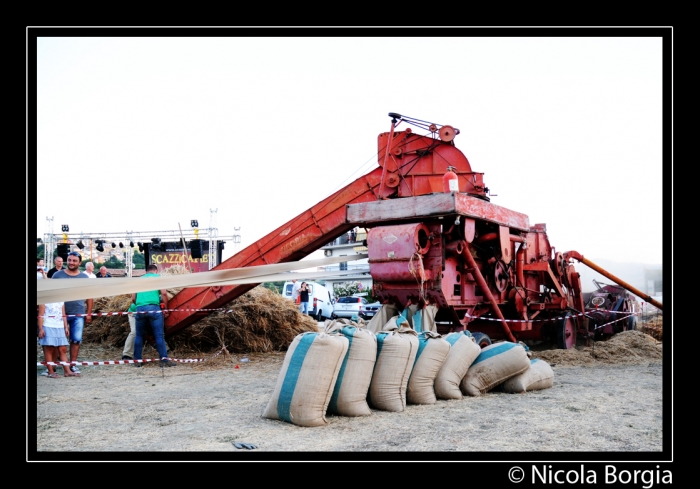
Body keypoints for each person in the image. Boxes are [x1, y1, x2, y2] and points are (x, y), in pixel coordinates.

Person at [51, 251, 93, 374]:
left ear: (80, 262)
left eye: (74, 261)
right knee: (56, 340)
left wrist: (89, 313)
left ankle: (72, 364)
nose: (71, 262)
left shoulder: (84, 277)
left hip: (78, 313)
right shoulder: (57, 275)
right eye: (69, 260)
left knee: (76, 340)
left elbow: (89, 297)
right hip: (58, 314)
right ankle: (53, 366)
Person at [132, 264, 174, 368]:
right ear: (156, 271)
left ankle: (137, 360)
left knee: (139, 335)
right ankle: (164, 361)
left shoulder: (138, 279)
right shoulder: (158, 277)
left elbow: (133, 298)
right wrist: (166, 309)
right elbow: (164, 294)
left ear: (146, 271)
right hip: (154, 308)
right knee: (159, 335)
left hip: (140, 309)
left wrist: (139, 304)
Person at [37, 302, 77, 378]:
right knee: (49, 349)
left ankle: (67, 371)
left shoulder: (61, 301)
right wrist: (41, 329)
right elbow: (40, 316)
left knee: (63, 349)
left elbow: (63, 315)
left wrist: (66, 327)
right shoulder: (44, 301)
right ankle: (50, 372)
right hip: (48, 326)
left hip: (60, 326)